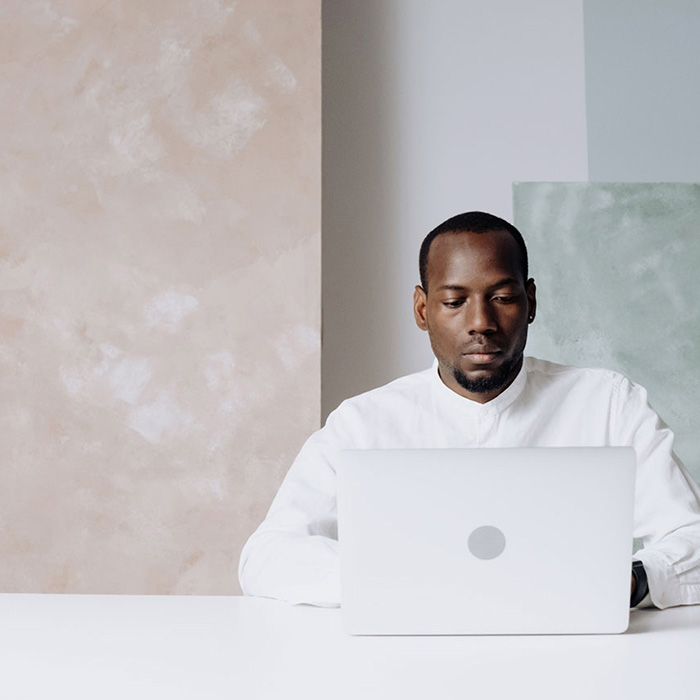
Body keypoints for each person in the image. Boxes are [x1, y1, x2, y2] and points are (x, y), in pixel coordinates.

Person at [239, 211, 700, 609]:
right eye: (454, 302)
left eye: (502, 298)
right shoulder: (363, 424)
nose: (481, 323)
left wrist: (632, 580)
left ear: (530, 302)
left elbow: (691, 537)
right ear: (423, 310)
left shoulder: (608, 405)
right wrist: (402, 578)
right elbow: (267, 557)